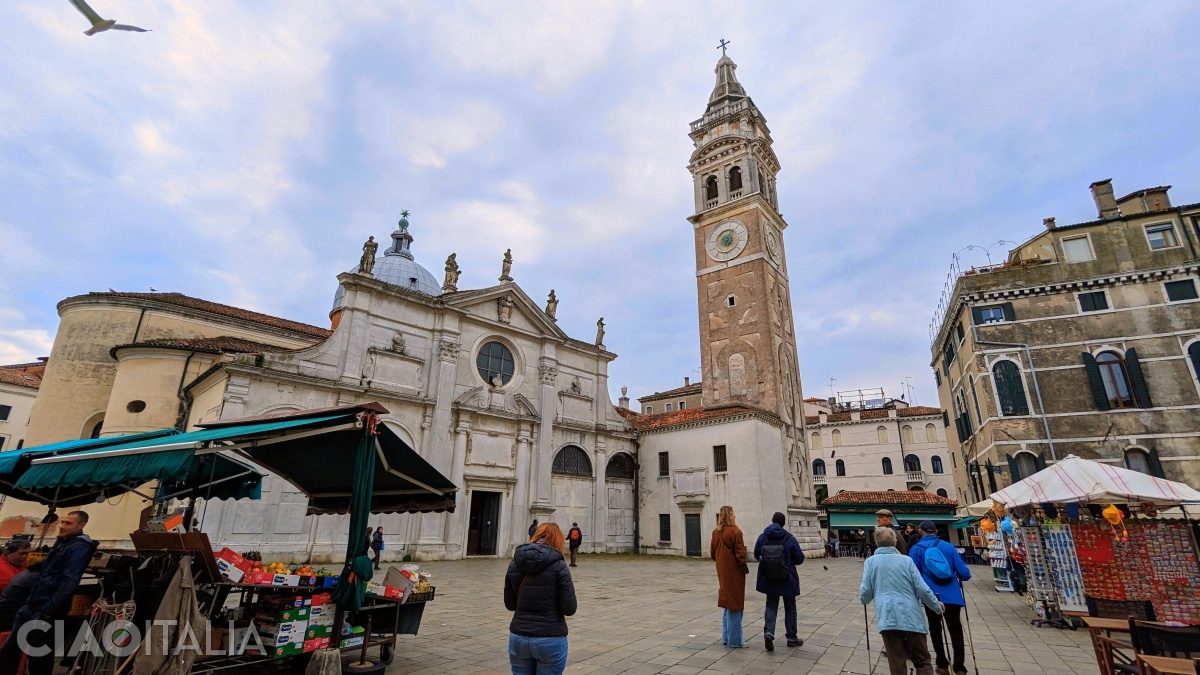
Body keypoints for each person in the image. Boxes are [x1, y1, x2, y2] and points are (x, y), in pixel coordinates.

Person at [0, 511, 97, 675]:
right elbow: (52, 567)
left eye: (68, 523)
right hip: (31, 605)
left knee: (39, 655)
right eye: (63, 522)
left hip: (46, 609)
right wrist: (38, 565)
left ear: (81, 525)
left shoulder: (79, 547)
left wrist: (50, 609)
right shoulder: (63, 542)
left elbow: (69, 581)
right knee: (10, 651)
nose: (63, 526)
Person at [859, 526, 943, 675]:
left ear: (877, 543)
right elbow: (922, 588)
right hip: (912, 616)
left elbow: (865, 594)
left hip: (888, 616)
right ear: (894, 542)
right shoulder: (907, 561)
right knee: (922, 660)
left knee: (896, 660)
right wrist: (937, 606)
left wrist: (864, 599)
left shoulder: (870, 562)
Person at [504, 522, 577, 675]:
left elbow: (510, 604)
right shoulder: (559, 566)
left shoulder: (514, 563)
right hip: (549, 636)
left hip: (518, 637)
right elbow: (570, 608)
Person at [909, 520, 972, 675]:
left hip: (931, 596)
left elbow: (913, 575)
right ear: (936, 531)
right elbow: (964, 573)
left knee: (935, 629)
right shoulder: (948, 547)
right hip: (951, 595)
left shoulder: (916, 549)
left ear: (921, 531)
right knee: (956, 629)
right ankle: (959, 666)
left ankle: (942, 663)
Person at [753, 512, 805, 651]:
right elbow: (799, 559)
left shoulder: (763, 537)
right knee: (790, 608)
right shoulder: (789, 538)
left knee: (771, 605)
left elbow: (756, 553)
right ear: (783, 523)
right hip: (787, 578)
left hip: (769, 578)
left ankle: (769, 633)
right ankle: (791, 638)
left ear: (772, 521)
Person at [710, 505, 748, 648]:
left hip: (722, 571)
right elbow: (740, 554)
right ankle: (735, 640)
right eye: (733, 513)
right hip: (734, 572)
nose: (735, 515)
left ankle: (727, 637)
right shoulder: (736, 531)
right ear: (729, 515)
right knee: (735, 605)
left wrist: (721, 561)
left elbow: (713, 553)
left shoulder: (715, 532)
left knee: (727, 603)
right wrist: (742, 567)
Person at [0, 562, 41, 633]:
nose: (24, 556)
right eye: (22, 553)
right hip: (9, 617)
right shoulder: (35, 577)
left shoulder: (26, 571)